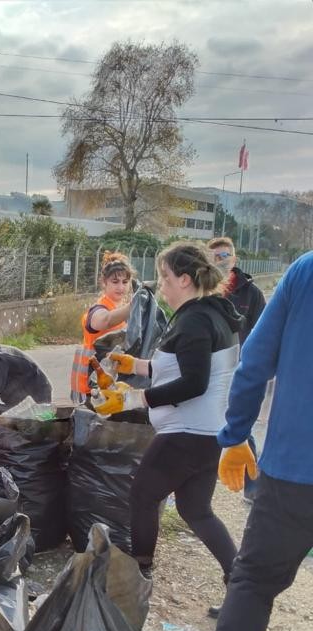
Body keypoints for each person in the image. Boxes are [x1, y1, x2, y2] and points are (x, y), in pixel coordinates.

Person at [185, 250, 313, 631]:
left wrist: (235, 434)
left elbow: (254, 361)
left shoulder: (305, 271)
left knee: (253, 583)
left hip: (292, 474)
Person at [94, 241, 241, 587]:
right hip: (207, 434)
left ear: (186, 280)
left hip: (186, 434)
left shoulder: (195, 321)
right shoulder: (213, 312)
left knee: (142, 495)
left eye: (165, 277)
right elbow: (183, 367)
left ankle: (138, 574)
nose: (161, 285)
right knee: (196, 511)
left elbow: (193, 382)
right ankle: (239, 580)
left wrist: (135, 400)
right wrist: (139, 365)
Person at [207, 236, 266, 507]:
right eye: (216, 256)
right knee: (203, 422)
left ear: (235, 258)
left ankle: (253, 489)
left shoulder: (251, 294)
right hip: (207, 368)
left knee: (240, 423)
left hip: (237, 370)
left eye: (226, 255)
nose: (222, 260)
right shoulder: (205, 290)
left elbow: (262, 332)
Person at [71, 251, 134, 401]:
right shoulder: (98, 309)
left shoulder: (119, 308)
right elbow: (103, 321)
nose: (121, 287)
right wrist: (134, 305)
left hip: (107, 384)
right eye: (115, 281)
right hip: (89, 387)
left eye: (125, 282)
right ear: (104, 282)